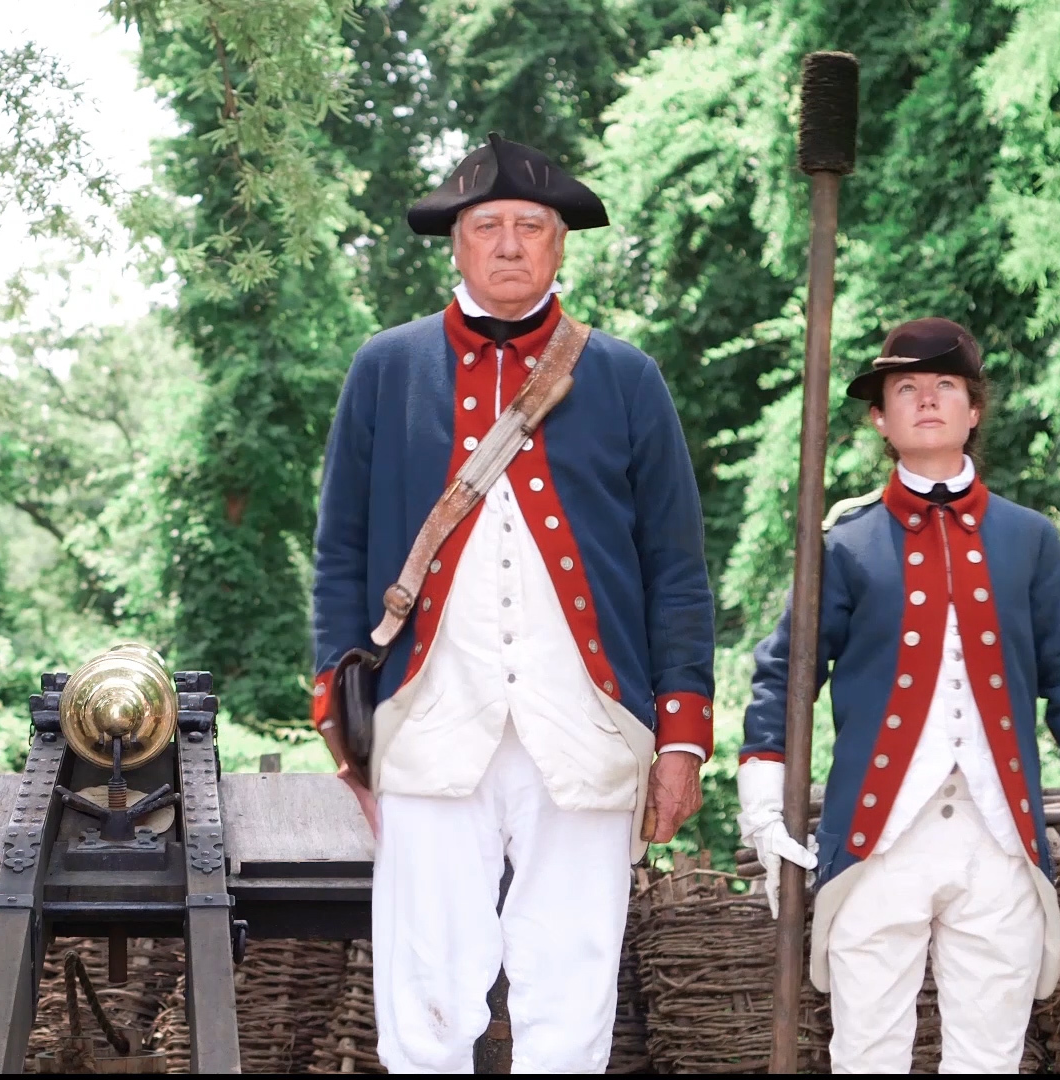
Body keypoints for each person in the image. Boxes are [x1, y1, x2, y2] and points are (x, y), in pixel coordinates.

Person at [311, 134, 716, 1073]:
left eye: (529, 227)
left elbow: (675, 568)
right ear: (454, 243)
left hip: (586, 723)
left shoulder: (626, 376)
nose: (507, 245)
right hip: (426, 718)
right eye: (486, 226)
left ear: (560, 245)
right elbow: (339, 554)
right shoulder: (384, 366)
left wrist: (683, 735)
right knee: (426, 992)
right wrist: (342, 707)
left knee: (571, 992)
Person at [740, 318, 1060, 1073]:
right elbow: (785, 674)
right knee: (866, 1053)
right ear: (881, 419)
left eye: (945, 386)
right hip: (877, 840)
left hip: (1000, 839)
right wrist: (764, 799)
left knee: (990, 1057)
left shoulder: (1030, 540)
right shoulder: (843, 543)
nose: (927, 400)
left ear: (974, 409)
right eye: (906, 390)